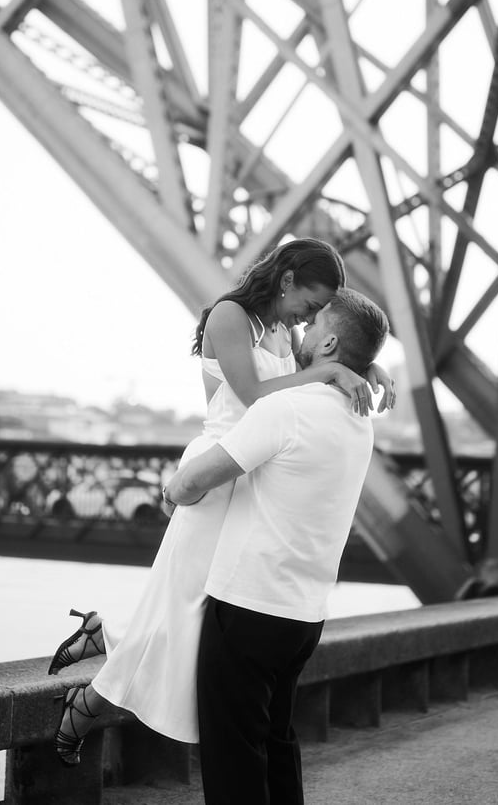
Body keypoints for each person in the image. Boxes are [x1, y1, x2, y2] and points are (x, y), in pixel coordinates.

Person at [49, 239, 395, 763]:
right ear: (287, 281)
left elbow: (318, 357)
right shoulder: (230, 317)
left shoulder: (283, 328)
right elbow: (255, 395)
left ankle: (100, 645)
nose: (310, 318)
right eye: (311, 303)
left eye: (319, 312)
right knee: (184, 607)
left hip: (252, 476)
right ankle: (87, 700)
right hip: (216, 470)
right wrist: (330, 372)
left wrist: (366, 366)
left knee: (193, 613)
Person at [165, 287, 390, 805]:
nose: (301, 331)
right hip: (305, 614)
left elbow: (195, 480)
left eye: (314, 325)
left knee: (234, 759)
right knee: (277, 742)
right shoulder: (358, 420)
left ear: (329, 343)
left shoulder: (286, 409)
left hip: (248, 605)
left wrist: (172, 490)